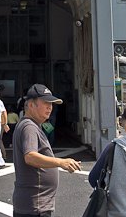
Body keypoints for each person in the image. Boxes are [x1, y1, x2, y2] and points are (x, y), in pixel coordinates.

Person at [12, 84, 81, 217]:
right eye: (45, 103)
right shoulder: (29, 127)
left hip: (34, 206)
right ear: (31, 105)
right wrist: (61, 162)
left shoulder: (32, 125)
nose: (50, 107)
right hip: (34, 207)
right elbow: (30, 156)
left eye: (51, 104)